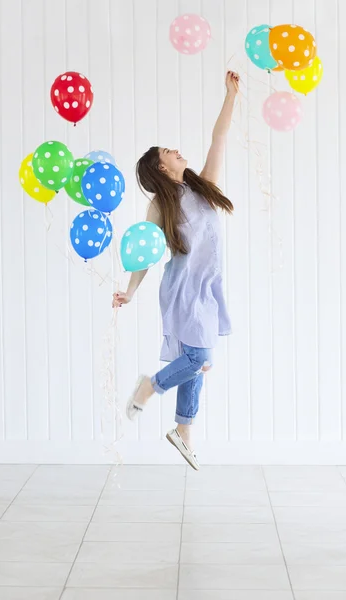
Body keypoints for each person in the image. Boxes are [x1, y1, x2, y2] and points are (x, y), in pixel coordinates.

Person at [112, 71, 239, 470]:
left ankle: (183, 433)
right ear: (160, 167)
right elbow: (146, 253)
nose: (177, 151)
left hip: (207, 286)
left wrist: (230, 95)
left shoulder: (203, 187)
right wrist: (130, 291)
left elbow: (219, 138)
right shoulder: (160, 206)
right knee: (199, 355)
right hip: (183, 289)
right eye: (169, 151)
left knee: (199, 363)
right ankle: (150, 387)